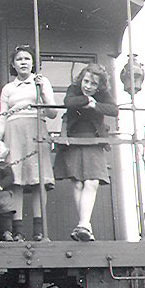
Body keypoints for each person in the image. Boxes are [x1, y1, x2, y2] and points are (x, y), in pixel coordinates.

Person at [0, 45, 57, 241]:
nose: (23, 62)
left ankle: (39, 229)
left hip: (36, 131)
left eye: (27, 59)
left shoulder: (41, 82)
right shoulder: (8, 88)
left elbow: (52, 112)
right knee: (16, 181)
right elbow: (2, 117)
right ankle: (18, 229)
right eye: (19, 59)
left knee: (39, 181)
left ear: (33, 63)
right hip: (14, 134)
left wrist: (43, 90)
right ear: (13, 64)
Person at [54, 63, 118, 241]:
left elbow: (113, 109)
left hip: (94, 140)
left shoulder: (101, 95)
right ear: (81, 79)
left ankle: (83, 224)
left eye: (93, 84)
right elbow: (68, 102)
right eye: (86, 81)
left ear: (100, 86)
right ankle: (84, 225)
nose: (88, 86)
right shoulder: (74, 89)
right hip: (74, 140)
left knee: (92, 182)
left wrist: (95, 105)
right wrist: (86, 100)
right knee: (78, 183)